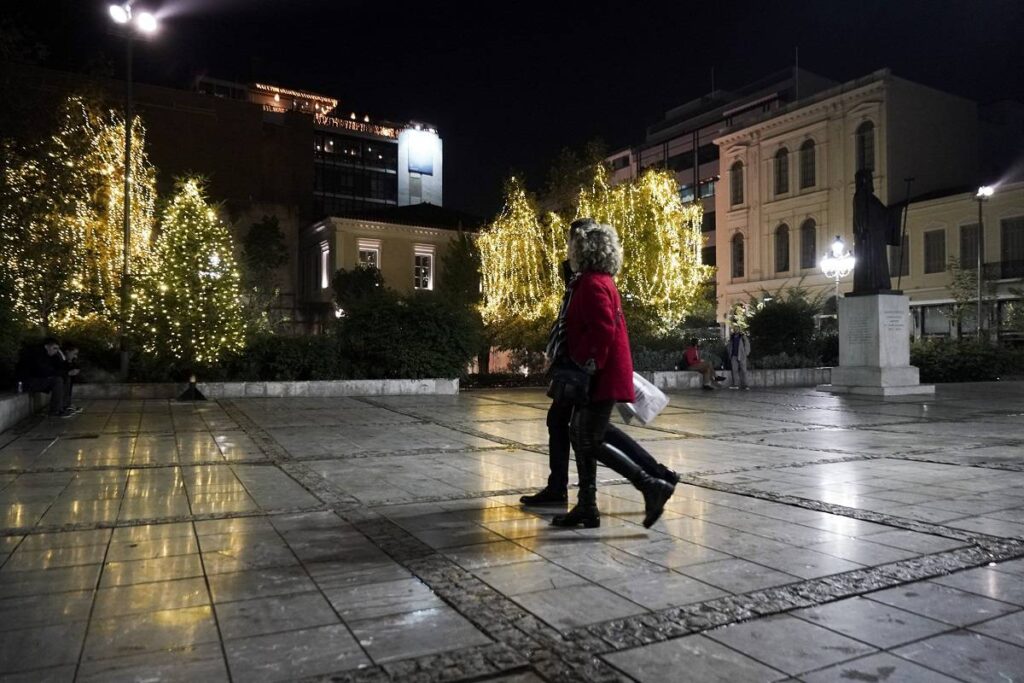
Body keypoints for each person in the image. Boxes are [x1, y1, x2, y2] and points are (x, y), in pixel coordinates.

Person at [521, 224, 679, 507]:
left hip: (581, 369)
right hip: (576, 365)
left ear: (582, 245)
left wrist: (586, 362)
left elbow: (600, 329)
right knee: (580, 429)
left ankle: (643, 483)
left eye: (571, 241)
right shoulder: (586, 277)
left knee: (588, 433)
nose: (568, 247)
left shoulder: (591, 280)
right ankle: (588, 498)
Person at [19, 337, 76, 418]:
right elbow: (43, 371)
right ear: (46, 346)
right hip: (28, 382)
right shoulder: (36, 354)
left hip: (39, 379)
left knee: (65, 377)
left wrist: (68, 367)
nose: (56, 351)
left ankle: (64, 406)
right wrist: (64, 372)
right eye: (54, 348)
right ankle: (55, 411)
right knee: (57, 380)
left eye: (57, 349)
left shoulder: (51, 355)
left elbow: (60, 367)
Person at [61, 344, 84, 413]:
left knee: (70, 378)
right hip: (56, 378)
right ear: (67, 351)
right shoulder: (60, 358)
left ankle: (67, 404)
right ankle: (65, 405)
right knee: (67, 378)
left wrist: (76, 369)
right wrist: (68, 372)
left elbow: (75, 366)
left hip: (64, 377)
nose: (75, 356)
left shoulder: (69, 360)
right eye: (74, 354)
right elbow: (58, 370)